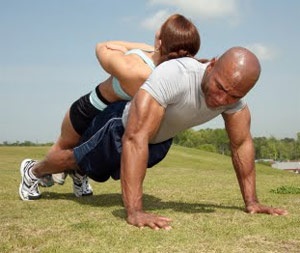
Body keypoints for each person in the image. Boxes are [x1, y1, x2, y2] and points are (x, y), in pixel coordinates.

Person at [19, 46, 288, 230]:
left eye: (232, 95)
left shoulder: (233, 99)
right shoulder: (176, 75)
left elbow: (241, 144)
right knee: (74, 157)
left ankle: (80, 173)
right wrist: (134, 211)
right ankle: (34, 170)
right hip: (120, 127)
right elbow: (134, 138)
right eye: (219, 87)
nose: (221, 99)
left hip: (157, 142)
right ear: (213, 64)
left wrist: (251, 202)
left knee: (91, 166)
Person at [30, 13, 201, 197]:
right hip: (89, 109)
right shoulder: (174, 75)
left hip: (110, 115)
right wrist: (147, 49)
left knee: (82, 154)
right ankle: (35, 172)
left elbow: (101, 47)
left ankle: (73, 175)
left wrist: (127, 47)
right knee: (62, 150)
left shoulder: (135, 70)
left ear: (160, 42)